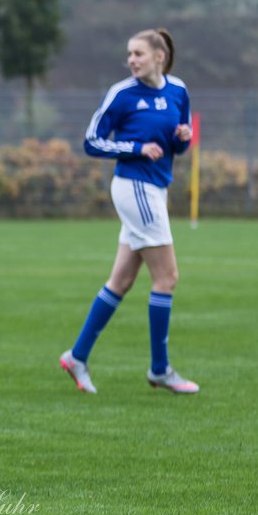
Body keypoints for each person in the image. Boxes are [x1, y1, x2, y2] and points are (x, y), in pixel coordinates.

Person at [59, 28, 199, 394]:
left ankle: (77, 356)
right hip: (134, 187)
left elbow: (174, 144)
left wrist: (181, 140)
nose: (131, 60)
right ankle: (159, 369)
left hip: (155, 189)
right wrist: (137, 148)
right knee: (167, 277)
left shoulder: (178, 91)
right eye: (129, 54)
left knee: (121, 281)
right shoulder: (122, 94)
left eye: (138, 53)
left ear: (159, 56)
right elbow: (92, 141)